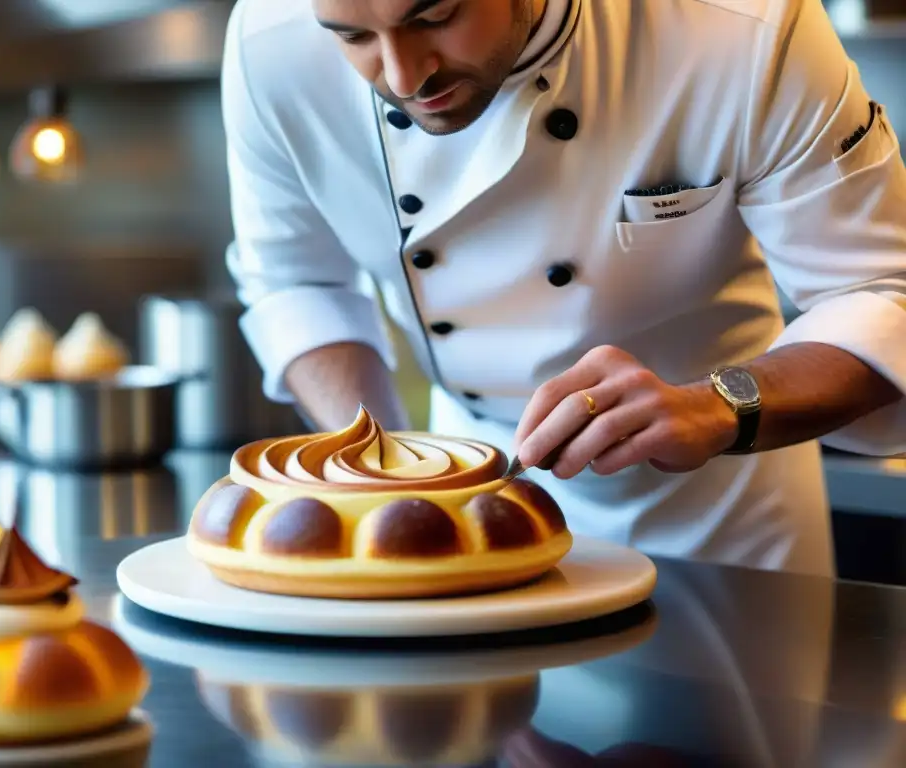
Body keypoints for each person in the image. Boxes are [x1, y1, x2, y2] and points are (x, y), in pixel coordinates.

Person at [221, 0, 906, 577]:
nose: (404, 74)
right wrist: (393, 479)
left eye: (437, 14)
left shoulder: (743, 24)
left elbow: (880, 296)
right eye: (353, 36)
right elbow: (296, 283)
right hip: (464, 507)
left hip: (718, 521)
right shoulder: (269, 43)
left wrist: (718, 407)